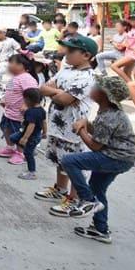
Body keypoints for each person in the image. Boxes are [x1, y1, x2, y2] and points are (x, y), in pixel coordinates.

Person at [62, 75, 135, 244]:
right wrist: (86, 123)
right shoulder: (106, 112)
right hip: (122, 158)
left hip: (115, 157)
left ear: (103, 94)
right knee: (97, 188)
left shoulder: (110, 116)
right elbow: (100, 133)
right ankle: (100, 229)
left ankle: (87, 200)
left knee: (69, 161)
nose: (92, 88)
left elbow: (95, 146)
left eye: (96, 87)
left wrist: (80, 129)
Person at [35, 36, 98, 218]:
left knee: (73, 164)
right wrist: (58, 92)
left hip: (73, 129)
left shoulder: (88, 77)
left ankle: (74, 198)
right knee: (60, 159)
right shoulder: (66, 70)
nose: (65, 53)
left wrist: (56, 92)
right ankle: (60, 188)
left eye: (71, 51)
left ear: (86, 55)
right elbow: (43, 88)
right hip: (57, 126)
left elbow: (64, 99)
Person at [0, 54, 39, 164]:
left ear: (21, 65)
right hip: (9, 112)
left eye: (11, 63)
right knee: (6, 129)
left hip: (20, 115)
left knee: (18, 133)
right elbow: (11, 91)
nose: (9, 66)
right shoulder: (16, 78)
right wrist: (4, 99)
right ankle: (10, 147)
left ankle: (21, 153)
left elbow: (33, 93)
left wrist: (26, 105)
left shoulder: (26, 78)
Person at [10, 88, 46, 180]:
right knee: (13, 138)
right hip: (35, 134)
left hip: (31, 135)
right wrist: (45, 132)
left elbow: (31, 125)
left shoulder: (31, 112)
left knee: (27, 153)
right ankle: (30, 149)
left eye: (24, 99)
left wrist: (25, 138)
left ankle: (32, 172)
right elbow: (44, 122)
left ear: (28, 99)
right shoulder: (41, 110)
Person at [0, 28, 21, 104]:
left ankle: (2, 90)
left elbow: (19, 50)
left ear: (4, 33)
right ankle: (0, 93)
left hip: (6, 62)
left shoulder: (11, 41)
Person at [110, 15, 135, 82]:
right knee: (126, 72)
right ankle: (133, 89)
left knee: (114, 66)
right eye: (131, 19)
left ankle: (131, 84)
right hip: (127, 53)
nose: (132, 21)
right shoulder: (130, 30)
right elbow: (127, 43)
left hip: (134, 54)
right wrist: (121, 44)